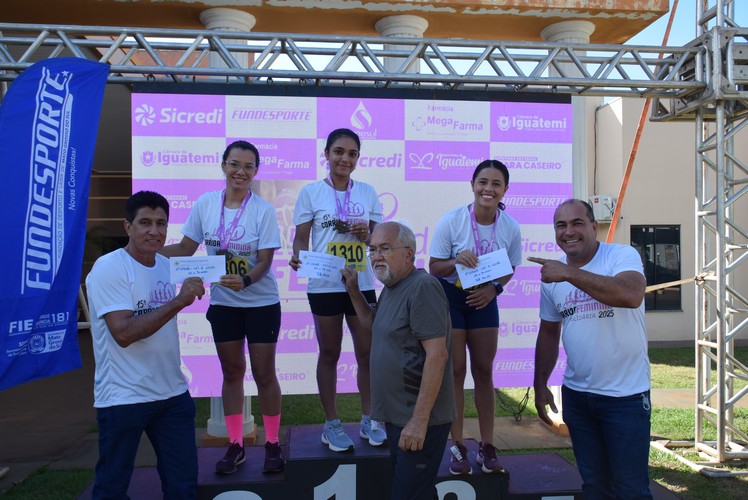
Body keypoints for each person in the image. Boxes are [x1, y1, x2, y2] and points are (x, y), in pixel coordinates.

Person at [161, 141, 284, 475]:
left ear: (256, 171)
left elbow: (264, 261)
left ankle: (272, 444)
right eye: (234, 164)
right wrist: (148, 252)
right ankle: (236, 445)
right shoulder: (205, 204)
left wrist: (244, 283)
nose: (240, 172)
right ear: (223, 165)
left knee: (263, 374)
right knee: (231, 373)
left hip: (260, 303)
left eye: (248, 167)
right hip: (224, 304)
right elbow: (187, 247)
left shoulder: (262, 210)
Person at [86, 191, 205, 499]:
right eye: (145, 223)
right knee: (111, 488)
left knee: (183, 486)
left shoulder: (166, 266)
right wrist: (179, 301)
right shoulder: (109, 267)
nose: (154, 231)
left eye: (161, 223)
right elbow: (123, 333)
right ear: (128, 227)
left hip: (172, 395)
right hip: (124, 398)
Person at [530, 199, 652, 499]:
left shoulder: (620, 255)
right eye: (561, 225)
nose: (569, 231)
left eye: (577, 223)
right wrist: (540, 383)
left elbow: (631, 294)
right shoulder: (552, 278)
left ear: (594, 227)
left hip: (625, 397)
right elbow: (548, 333)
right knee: (595, 487)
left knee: (631, 490)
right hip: (578, 397)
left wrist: (569, 273)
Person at [341, 221, 456, 500]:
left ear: (408, 253)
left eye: (385, 248)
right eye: (373, 250)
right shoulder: (393, 286)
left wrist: (418, 422)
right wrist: (354, 291)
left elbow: (437, 355)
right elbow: (373, 323)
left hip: (418, 420)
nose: (376, 256)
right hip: (398, 418)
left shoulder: (422, 287)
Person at [289, 128, 385, 451]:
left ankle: (370, 418)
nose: (345, 158)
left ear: (358, 158)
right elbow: (301, 237)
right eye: (339, 152)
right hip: (325, 283)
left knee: (368, 353)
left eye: (352, 153)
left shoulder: (368, 192)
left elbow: (378, 238)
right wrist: (298, 255)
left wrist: (367, 235)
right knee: (329, 352)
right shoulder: (311, 192)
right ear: (327, 154)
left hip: (362, 282)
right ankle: (331, 424)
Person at [429, 159, 521, 475]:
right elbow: (433, 268)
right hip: (452, 299)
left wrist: (494, 290)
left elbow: (510, 269)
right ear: (472, 185)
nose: (488, 189)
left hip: (484, 298)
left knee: (483, 371)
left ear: (505, 189)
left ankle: (486, 445)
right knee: (455, 371)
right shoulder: (452, 220)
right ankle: (457, 446)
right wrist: (455, 260)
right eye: (483, 182)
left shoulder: (510, 226)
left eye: (496, 183)